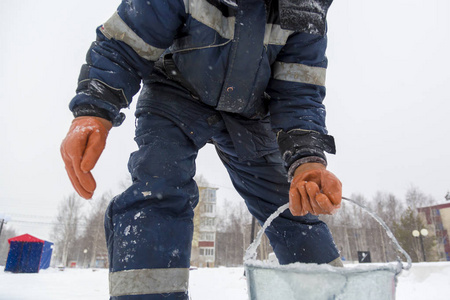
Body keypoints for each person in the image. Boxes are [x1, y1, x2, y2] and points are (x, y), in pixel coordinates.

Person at [60, 0, 342, 299]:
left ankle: (328, 294)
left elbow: (299, 92)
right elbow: (124, 44)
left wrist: (307, 160)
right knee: (158, 188)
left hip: (253, 111)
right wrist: (94, 108)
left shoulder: (306, 6)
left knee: (294, 203)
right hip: (175, 91)